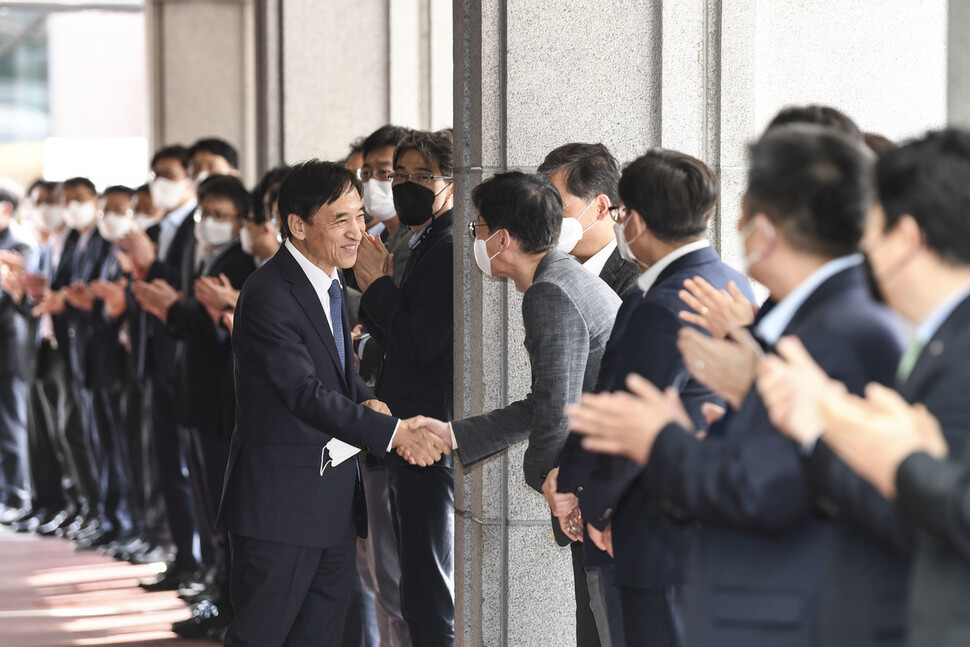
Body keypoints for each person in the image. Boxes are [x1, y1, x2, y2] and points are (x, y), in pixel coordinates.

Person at [568, 124, 909, 646]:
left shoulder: (841, 327)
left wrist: (662, 437)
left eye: (747, 207)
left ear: (770, 226)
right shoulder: (803, 313)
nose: (739, 222)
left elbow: (766, 486)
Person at [217, 159, 450, 646]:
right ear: (297, 226)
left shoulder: (331, 288)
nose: (356, 233)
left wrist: (371, 402)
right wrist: (393, 433)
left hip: (332, 505)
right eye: (340, 220)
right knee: (261, 637)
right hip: (280, 509)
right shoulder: (268, 293)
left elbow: (338, 375)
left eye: (360, 216)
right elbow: (301, 392)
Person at [756, 128, 970, 645]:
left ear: (908, 237)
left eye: (871, 229)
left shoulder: (960, 354)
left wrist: (821, 428)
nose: (865, 249)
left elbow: (925, 515)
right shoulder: (941, 337)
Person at [408, 169, 622, 647]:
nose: (474, 239)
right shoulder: (560, 277)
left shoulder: (551, 291)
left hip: (604, 483)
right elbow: (545, 402)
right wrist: (453, 433)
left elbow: (556, 411)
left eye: (477, 228)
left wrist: (553, 481)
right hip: (600, 476)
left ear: (502, 238)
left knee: (600, 628)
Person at [557, 150, 753, 647]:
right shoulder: (730, 282)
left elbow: (632, 415)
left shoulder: (664, 301)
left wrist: (596, 508)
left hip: (650, 529)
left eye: (621, 215)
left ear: (636, 221)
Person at [354, 129, 456, 647]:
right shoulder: (415, 239)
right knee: (410, 583)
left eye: (424, 176)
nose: (407, 186)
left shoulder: (448, 246)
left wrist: (376, 286)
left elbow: (420, 341)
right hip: (400, 428)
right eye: (401, 175)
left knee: (428, 589)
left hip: (427, 432)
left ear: (452, 183)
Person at [129, 145, 204, 591]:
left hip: (186, 361)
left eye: (169, 174)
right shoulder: (160, 228)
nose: (160, 182)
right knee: (170, 465)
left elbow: (181, 292)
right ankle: (186, 555)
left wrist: (149, 263)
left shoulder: (194, 229)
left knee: (189, 469)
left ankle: (200, 563)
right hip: (159, 359)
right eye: (155, 174)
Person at [538, 143, 639, 297]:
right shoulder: (571, 271)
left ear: (601, 207)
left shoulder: (638, 281)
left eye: (559, 208)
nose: (548, 218)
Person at [0, 180, 33, 525]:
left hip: (10, 345)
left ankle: (17, 494)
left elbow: (19, 296)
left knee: (12, 422)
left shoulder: (19, 245)